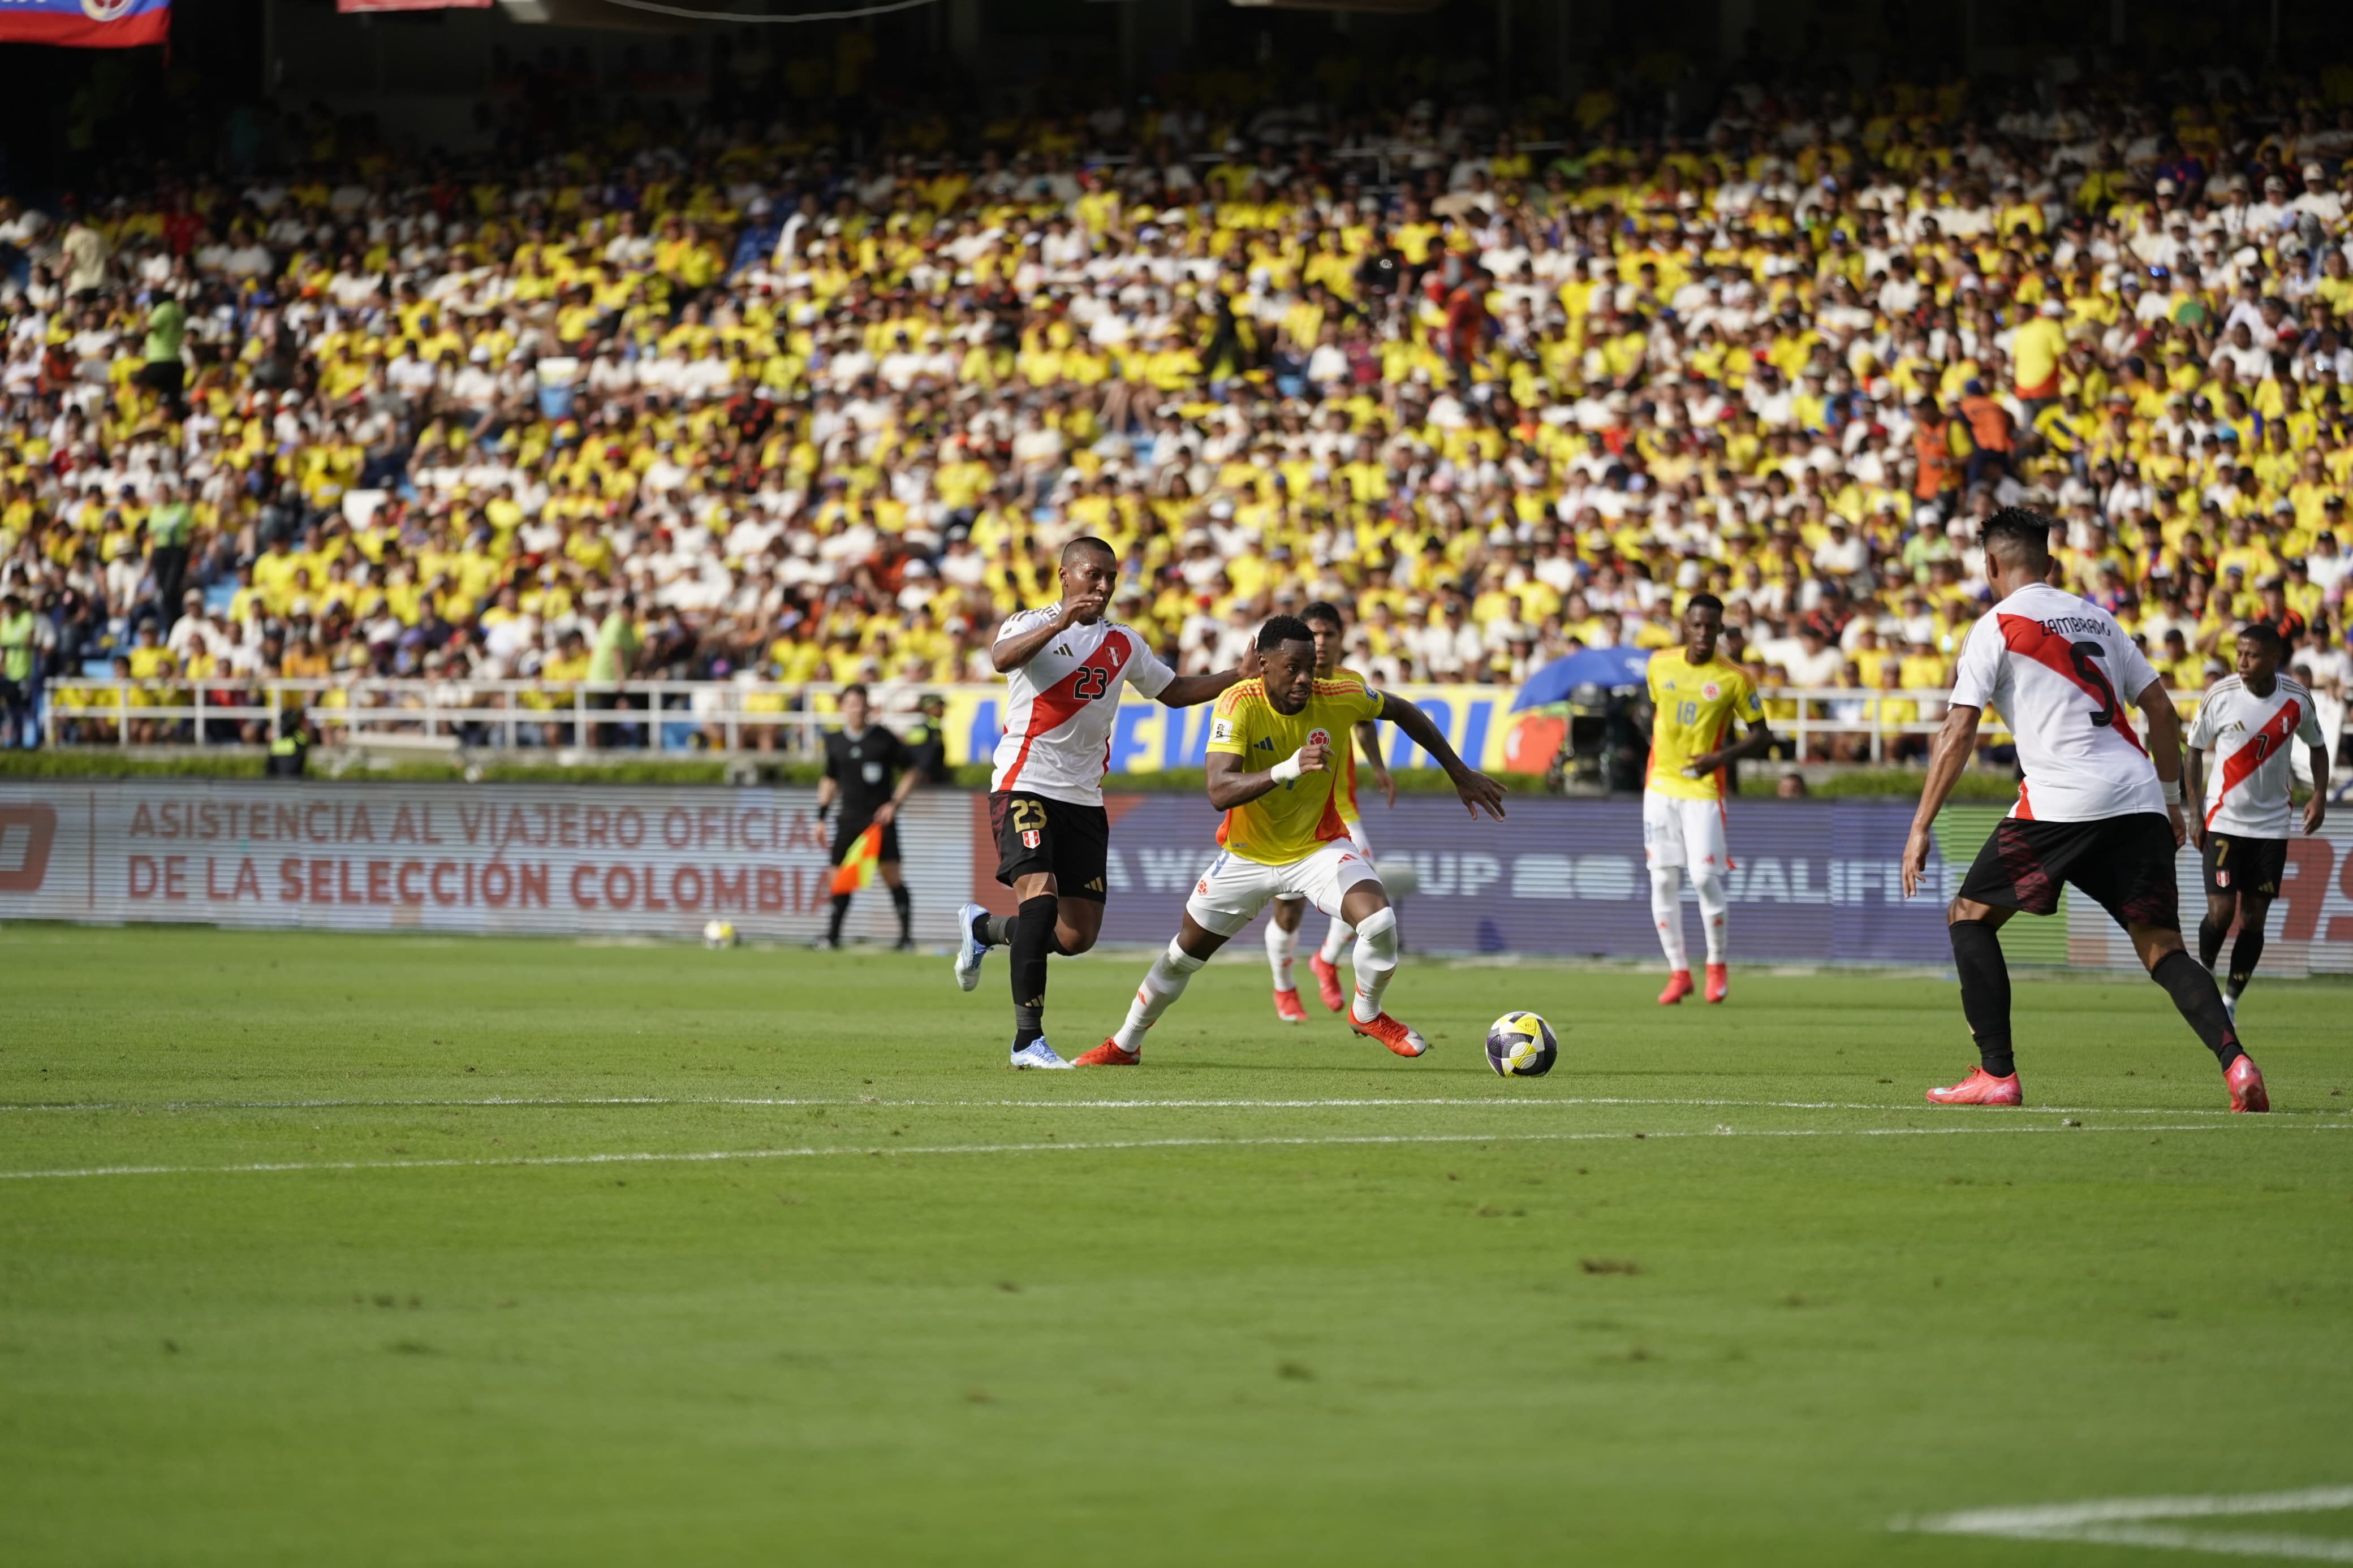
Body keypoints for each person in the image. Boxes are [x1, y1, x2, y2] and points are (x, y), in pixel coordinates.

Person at [1900, 508, 2265, 1112]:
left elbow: (1957, 730)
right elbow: (2162, 712)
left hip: (2058, 802)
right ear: (2049, 562)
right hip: (2137, 797)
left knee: (1967, 916)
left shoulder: (1995, 626)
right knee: (2162, 948)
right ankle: (2236, 1062)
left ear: (1989, 564)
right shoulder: (2098, 618)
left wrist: (1918, 826)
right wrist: (2173, 803)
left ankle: (1997, 1075)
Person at [1078, 615, 1507, 1068]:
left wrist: (1459, 772)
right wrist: (1288, 767)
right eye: (1292, 668)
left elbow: (1402, 710)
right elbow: (1219, 791)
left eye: (1310, 667)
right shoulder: (1238, 703)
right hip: (1246, 857)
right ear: (1263, 664)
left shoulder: (1339, 696)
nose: (1305, 678)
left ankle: (1367, 1012)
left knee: (1379, 922)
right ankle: (1125, 1043)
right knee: (1183, 955)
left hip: (1317, 848)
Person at [950, 537, 1246, 1070]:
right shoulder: (1027, 622)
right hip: (1025, 782)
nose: (1104, 586)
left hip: (1084, 799)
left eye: (1112, 576)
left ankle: (982, 930)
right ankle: (1027, 1041)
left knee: (1074, 934)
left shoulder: (1125, 643)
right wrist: (1060, 622)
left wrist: (1237, 677)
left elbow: (1173, 692)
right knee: (1038, 902)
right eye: (1094, 574)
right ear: (1065, 576)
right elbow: (1001, 660)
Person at [2183, 624, 2331, 1022]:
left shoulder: (2297, 700)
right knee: (2220, 912)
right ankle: (2204, 976)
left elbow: (2318, 747)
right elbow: (2194, 751)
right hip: (2224, 818)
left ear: (2273, 659)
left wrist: (2318, 795)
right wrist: (2195, 812)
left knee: (2254, 917)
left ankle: (2230, 1001)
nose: (2241, 662)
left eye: (2250, 655)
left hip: (2271, 826)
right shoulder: (2221, 694)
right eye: (2239, 654)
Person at [1643, 593, 1774, 1005]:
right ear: (1686, 625)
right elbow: (1658, 714)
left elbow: (1761, 734)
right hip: (1660, 785)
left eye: (1711, 627)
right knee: (1663, 878)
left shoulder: (1735, 678)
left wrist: (1719, 758)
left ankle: (1716, 963)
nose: (1703, 634)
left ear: (1721, 629)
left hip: (1703, 789)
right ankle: (1678, 971)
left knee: (1702, 878)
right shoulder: (1658, 663)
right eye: (1696, 625)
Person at [1266, 599, 1394, 1022]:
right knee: (1288, 911)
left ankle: (1326, 958)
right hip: (1284, 816)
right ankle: (1284, 986)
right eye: (1313, 634)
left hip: (1340, 812)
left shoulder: (1350, 684)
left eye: (1329, 634)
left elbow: (1366, 720)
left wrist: (1377, 766)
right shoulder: (1276, 684)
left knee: (1368, 894)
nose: (1320, 643)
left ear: (1341, 638)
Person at [814, 684, 919, 951]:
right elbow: (829, 779)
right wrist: (821, 817)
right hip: (848, 819)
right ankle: (832, 937)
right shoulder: (835, 742)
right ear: (843, 708)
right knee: (837, 877)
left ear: (868, 707)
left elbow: (912, 771)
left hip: (879, 821)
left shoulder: (883, 738)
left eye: (861, 704)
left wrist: (894, 804)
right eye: (851, 704)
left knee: (891, 875)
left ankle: (906, 939)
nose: (857, 710)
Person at [0, 591, 35, 748]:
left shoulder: (26, 618)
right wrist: (2, 666)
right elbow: (4, 649)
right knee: (11, 707)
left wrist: (24, 643)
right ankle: (12, 739)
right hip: (9, 673)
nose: (8, 609)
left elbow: (30, 638)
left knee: (23, 708)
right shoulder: (6, 624)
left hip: (24, 672)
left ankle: (24, 740)